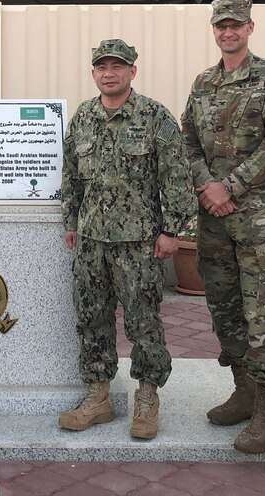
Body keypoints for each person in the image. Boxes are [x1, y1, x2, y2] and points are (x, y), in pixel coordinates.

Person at [58, 39, 196, 441]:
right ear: (94, 73)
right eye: (102, 66)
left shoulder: (154, 117)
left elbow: (176, 177)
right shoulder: (83, 117)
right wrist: (71, 220)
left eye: (117, 66)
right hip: (91, 241)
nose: (109, 73)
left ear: (132, 72)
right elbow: (70, 175)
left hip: (139, 241)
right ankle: (98, 396)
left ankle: (148, 398)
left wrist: (173, 231)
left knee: (143, 321)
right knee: (91, 319)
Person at [180, 0, 265, 454]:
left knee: (261, 312)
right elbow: (186, 141)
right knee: (224, 307)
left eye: (236, 25)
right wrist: (208, 185)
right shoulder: (203, 82)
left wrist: (231, 188)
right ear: (214, 30)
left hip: (257, 216)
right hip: (213, 218)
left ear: (251, 27)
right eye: (221, 25)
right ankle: (243, 392)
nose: (228, 32)